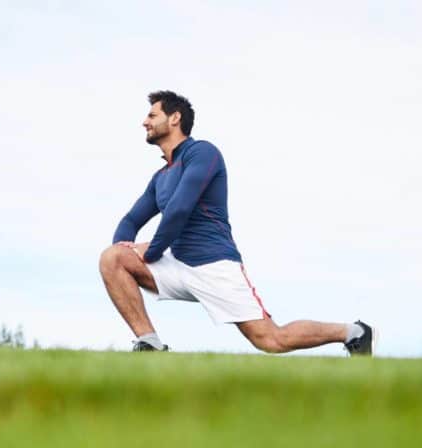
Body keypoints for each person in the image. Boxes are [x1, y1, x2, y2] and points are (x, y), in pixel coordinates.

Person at [99, 90, 377, 355]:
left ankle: (354, 332)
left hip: (214, 265)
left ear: (175, 118)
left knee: (270, 339)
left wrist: (152, 250)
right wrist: (126, 246)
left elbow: (179, 210)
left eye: (152, 115)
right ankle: (150, 344)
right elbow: (131, 220)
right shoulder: (161, 176)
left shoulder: (203, 153)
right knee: (113, 258)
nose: (144, 121)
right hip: (177, 264)